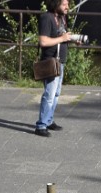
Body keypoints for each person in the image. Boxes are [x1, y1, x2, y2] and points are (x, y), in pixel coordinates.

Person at [34, 0, 74, 137]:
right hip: (50, 61)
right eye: (64, 4)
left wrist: (71, 38)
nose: (67, 7)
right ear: (55, 4)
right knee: (49, 94)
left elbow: (60, 37)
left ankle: (49, 120)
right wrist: (62, 39)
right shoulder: (47, 18)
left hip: (60, 61)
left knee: (56, 93)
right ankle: (41, 125)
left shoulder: (61, 17)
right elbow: (43, 41)